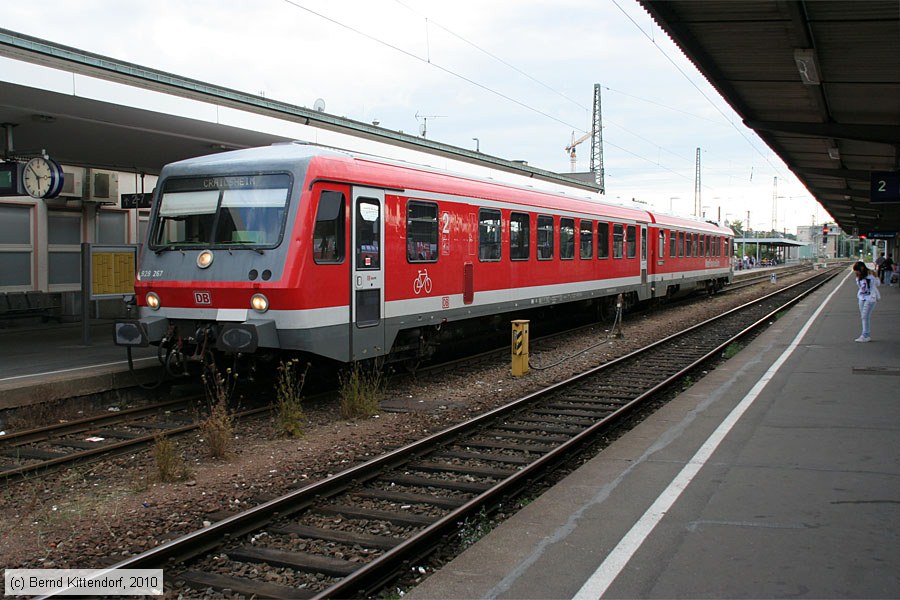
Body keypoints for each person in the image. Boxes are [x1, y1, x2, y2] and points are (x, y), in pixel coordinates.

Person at [852, 261, 881, 342]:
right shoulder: (858, 277)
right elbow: (860, 287)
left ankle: (865, 335)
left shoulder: (871, 275)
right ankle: (866, 335)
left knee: (864, 317)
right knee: (864, 317)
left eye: (857, 270)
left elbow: (877, 284)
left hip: (870, 298)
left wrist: (876, 277)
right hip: (862, 298)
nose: (856, 272)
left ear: (861, 269)